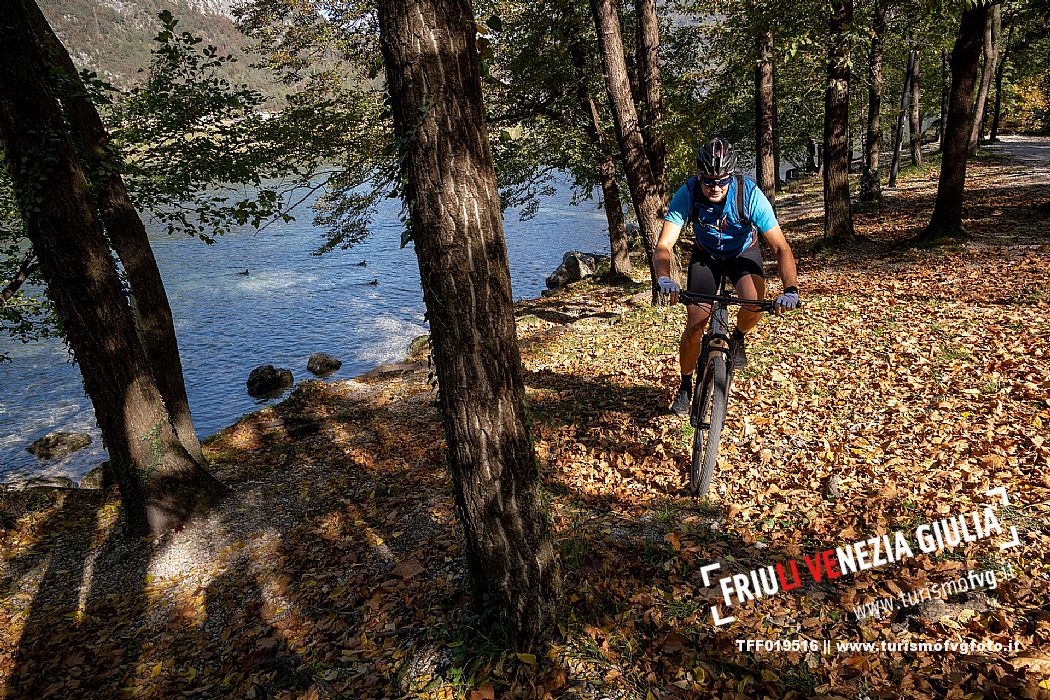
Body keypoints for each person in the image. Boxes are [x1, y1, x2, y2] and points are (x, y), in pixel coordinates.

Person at [654, 137, 800, 417]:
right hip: (706, 256)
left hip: (742, 254)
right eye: (708, 181)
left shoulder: (749, 195)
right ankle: (686, 384)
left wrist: (790, 289)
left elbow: (781, 247)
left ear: (731, 176)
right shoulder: (688, 192)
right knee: (696, 323)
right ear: (699, 176)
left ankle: (738, 336)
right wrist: (664, 278)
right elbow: (664, 245)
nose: (715, 187)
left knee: (755, 303)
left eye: (722, 181)